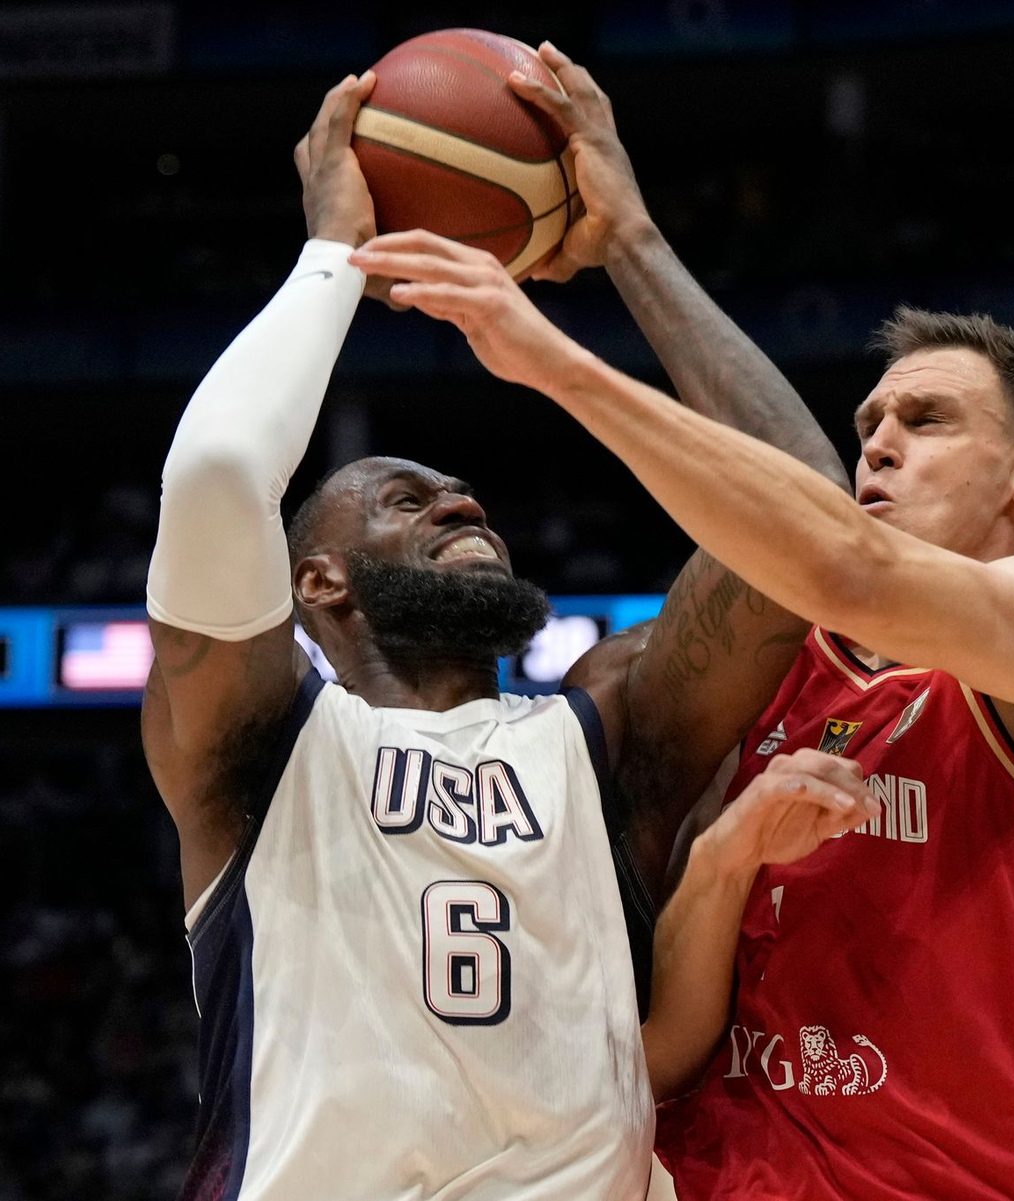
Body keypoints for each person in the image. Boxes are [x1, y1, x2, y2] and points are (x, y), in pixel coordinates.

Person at [366, 48, 1014, 1199]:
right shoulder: (780, 667)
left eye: (929, 419)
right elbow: (663, 1032)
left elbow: (846, 566)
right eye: (872, 419)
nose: (880, 442)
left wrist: (556, 356)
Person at [140, 54, 875, 1200]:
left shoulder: (607, 731)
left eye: (463, 493)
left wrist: (632, 242)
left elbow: (803, 520)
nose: (461, 500)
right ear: (318, 582)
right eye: (405, 497)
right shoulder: (258, 744)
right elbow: (224, 469)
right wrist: (336, 251)